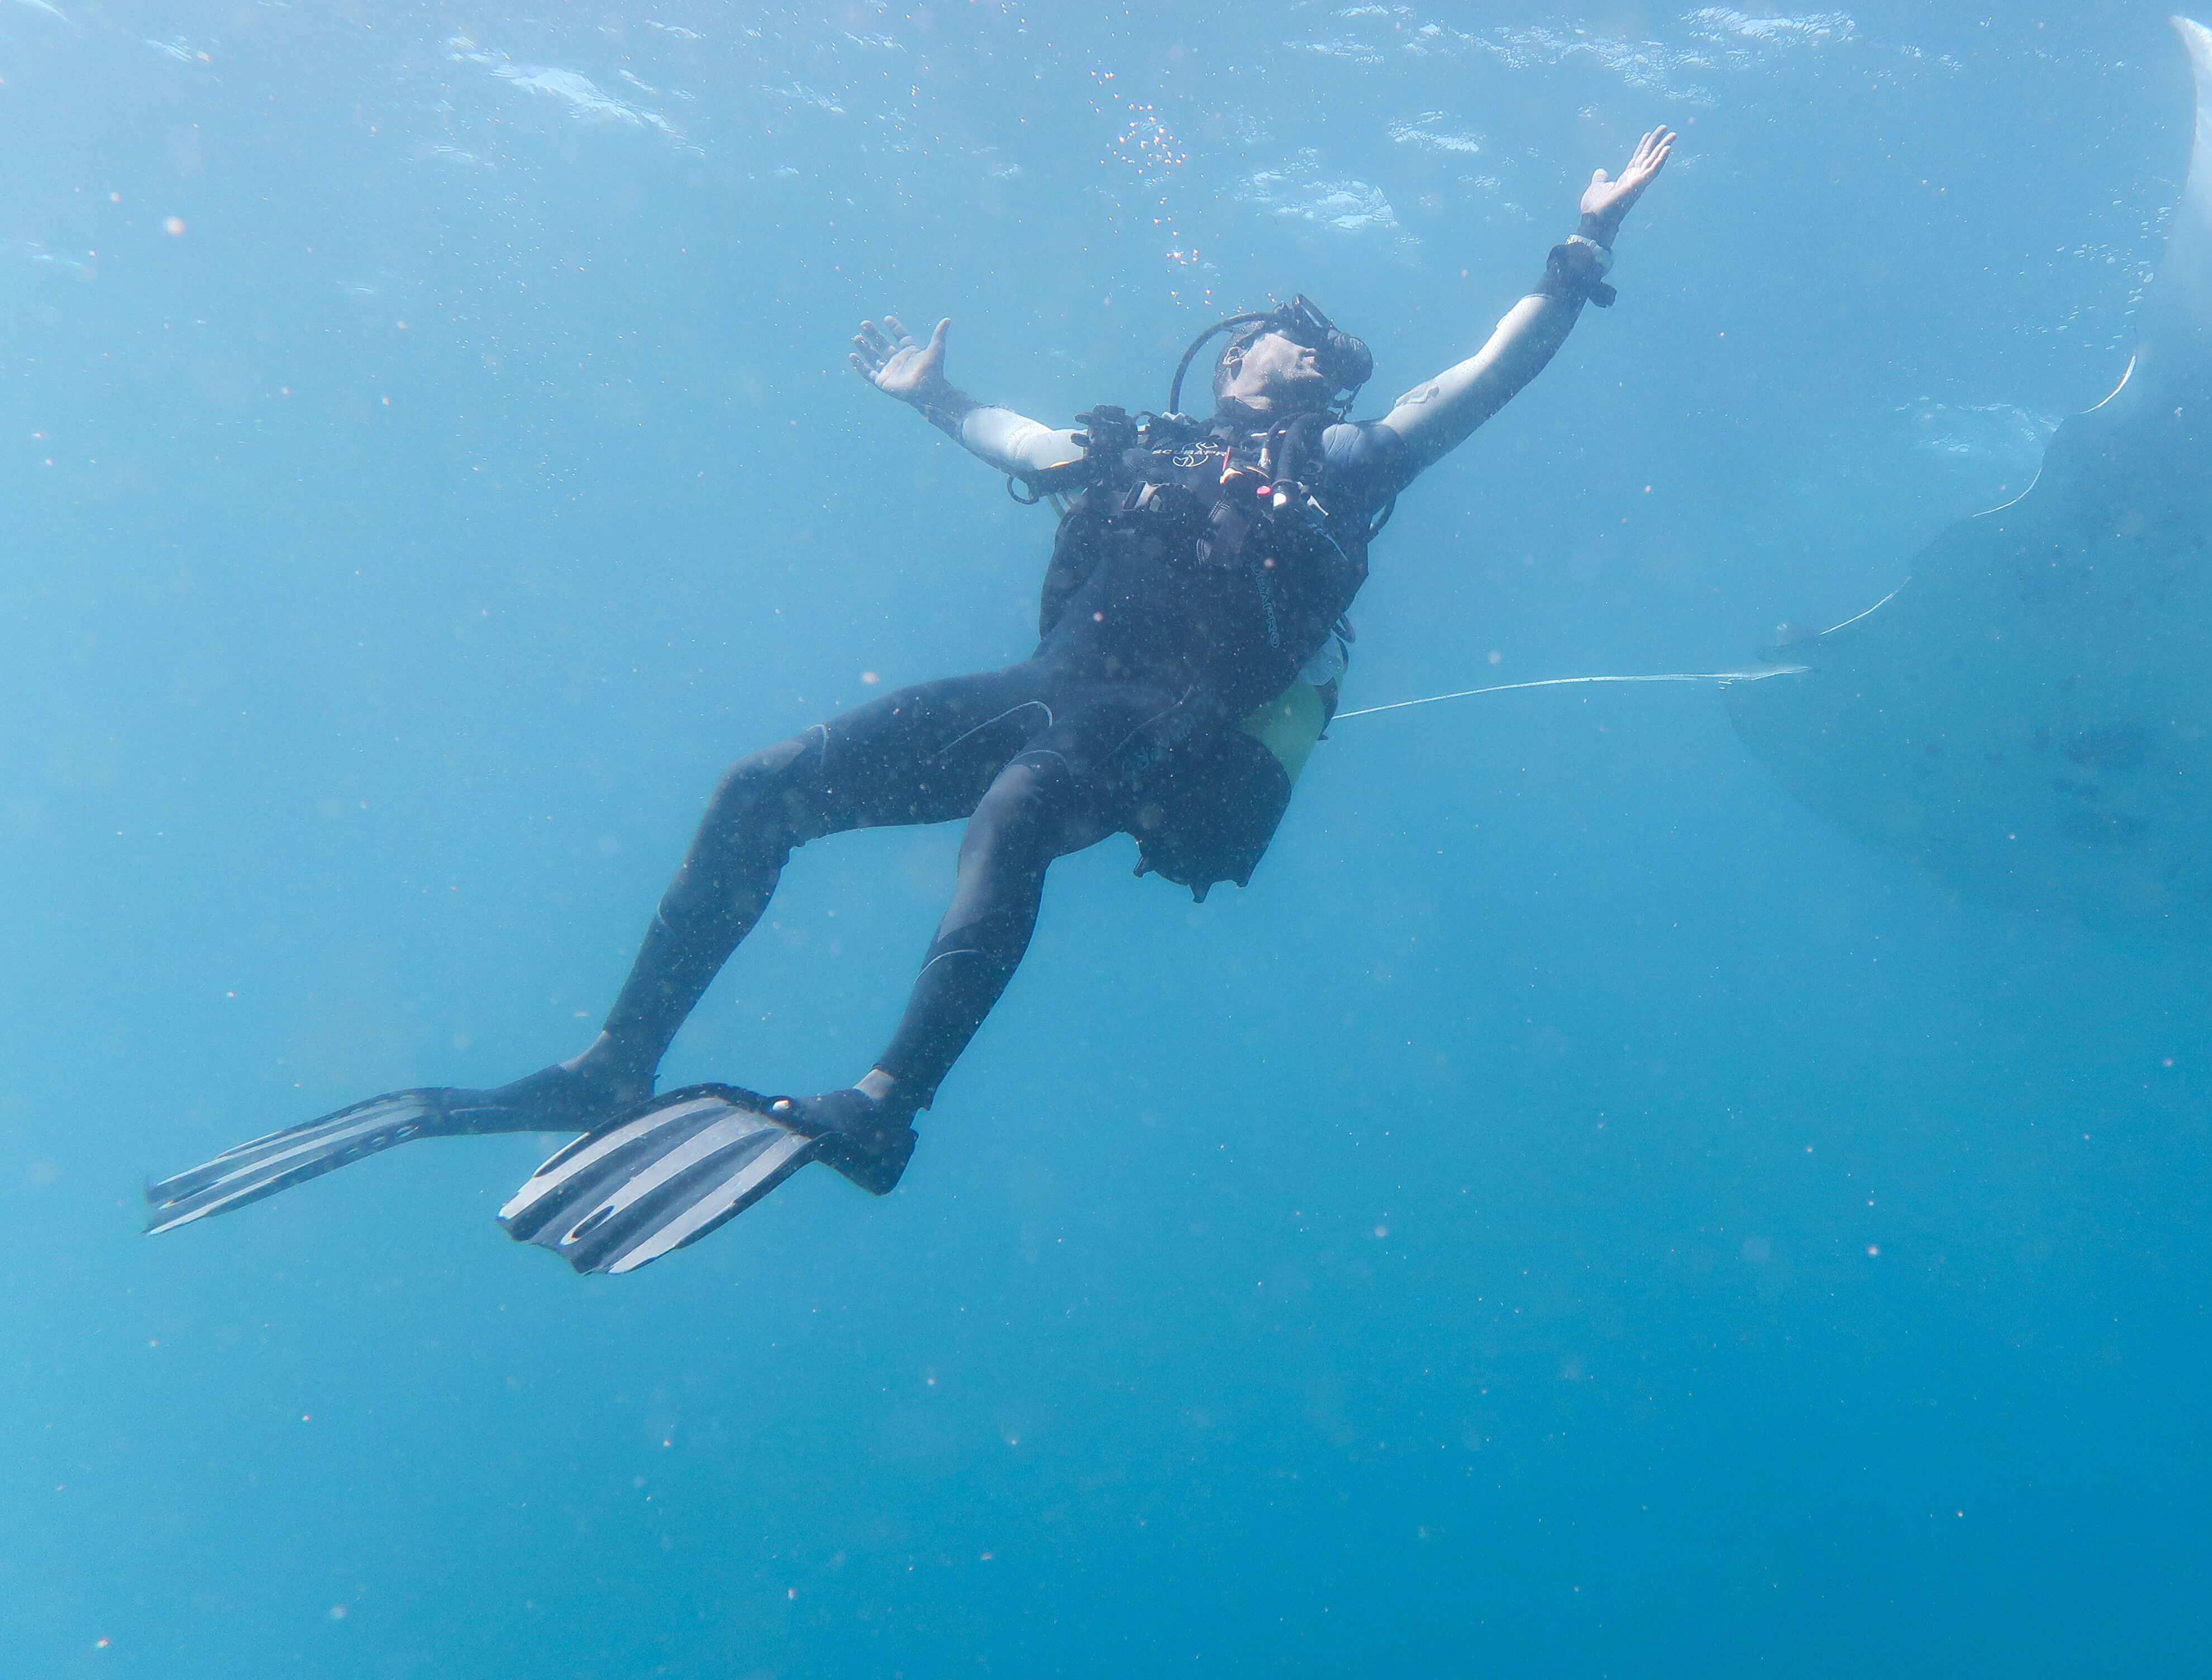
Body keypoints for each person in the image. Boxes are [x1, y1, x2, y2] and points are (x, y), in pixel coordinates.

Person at [145, 127, 1677, 1274]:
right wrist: (936, 398)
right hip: (1046, 691)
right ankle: (614, 1062)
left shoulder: (1352, 465)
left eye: (1305, 337)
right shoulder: (1133, 441)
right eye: (1275, 324)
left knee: (1018, 813)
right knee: (763, 785)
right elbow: (1023, 445)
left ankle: (886, 1102)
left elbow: (1490, 373)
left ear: (1322, 381)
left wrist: (1583, 243)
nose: (1278, 339)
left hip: (1161, 735)